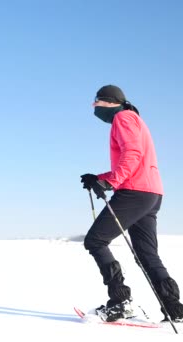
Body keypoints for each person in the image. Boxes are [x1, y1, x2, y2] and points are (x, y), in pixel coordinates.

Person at [80, 84, 183, 322]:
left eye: (96, 102)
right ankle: (174, 309)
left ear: (108, 101)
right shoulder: (135, 119)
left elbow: (132, 154)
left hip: (134, 192)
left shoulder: (123, 118)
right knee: (147, 253)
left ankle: (120, 303)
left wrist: (112, 181)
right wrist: (100, 178)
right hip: (151, 193)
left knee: (95, 240)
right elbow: (136, 159)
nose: (94, 107)